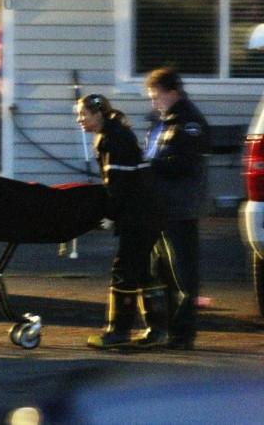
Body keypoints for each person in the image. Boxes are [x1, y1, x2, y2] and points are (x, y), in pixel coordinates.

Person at [76, 94, 169, 349]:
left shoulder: (114, 139)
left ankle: (119, 331)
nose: (79, 119)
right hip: (146, 213)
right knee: (140, 271)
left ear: (98, 114)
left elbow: (120, 185)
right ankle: (158, 331)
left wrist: (108, 215)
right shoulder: (114, 134)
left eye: (83, 114)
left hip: (139, 216)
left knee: (124, 270)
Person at [144, 67, 210, 350]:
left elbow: (183, 163)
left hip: (179, 208)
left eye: (157, 96)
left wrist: (146, 166)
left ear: (173, 93)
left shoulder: (189, 123)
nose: (153, 102)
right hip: (159, 207)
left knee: (183, 273)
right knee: (160, 272)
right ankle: (162, 329)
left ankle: (182, 334)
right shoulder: (161, 122)